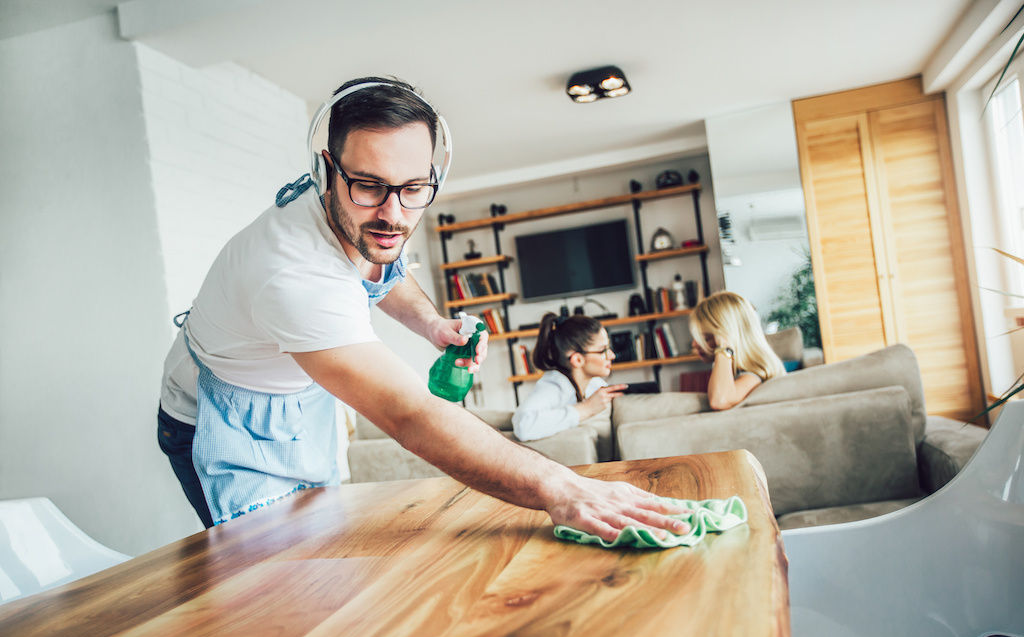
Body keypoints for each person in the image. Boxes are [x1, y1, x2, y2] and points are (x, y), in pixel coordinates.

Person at [157, 76, 689, 542]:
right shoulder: (293, 274)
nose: (393, 213)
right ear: (326, 169)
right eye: (368, 185)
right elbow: (411, 416)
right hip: (216, 419)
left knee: (320, 553)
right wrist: (562, 486)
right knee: (275, 584)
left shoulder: (372, 216)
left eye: (413, 188)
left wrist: (432, 325)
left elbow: (383, 269)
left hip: (298, 401)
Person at [512, 313, 624, 441]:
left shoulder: (595, 384)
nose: (612, 355)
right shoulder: (553, 387)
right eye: (602, 350)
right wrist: (586, 408)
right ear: (577, 359)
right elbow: (523, 426)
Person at [689, 291, 786, 411]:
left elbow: (719, 401)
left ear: (728, 337)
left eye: (706, 338)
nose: (694, 344)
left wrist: (724, 348)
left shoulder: (754, 375)